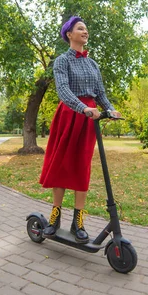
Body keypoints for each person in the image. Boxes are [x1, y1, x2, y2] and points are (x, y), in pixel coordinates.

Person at [39, 16, 121, 243]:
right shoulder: (62, 61)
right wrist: (83, 107)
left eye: (86, 28)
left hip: (89, 120)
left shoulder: (93, 64)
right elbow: (63, 91)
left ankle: (78, 223)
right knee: (61, 166)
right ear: (69, 34)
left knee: (81, 167)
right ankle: (54, 219)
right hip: (69, 115)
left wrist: (111, 110)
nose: (85, 31)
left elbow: (101, 93)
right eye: (80, 28)